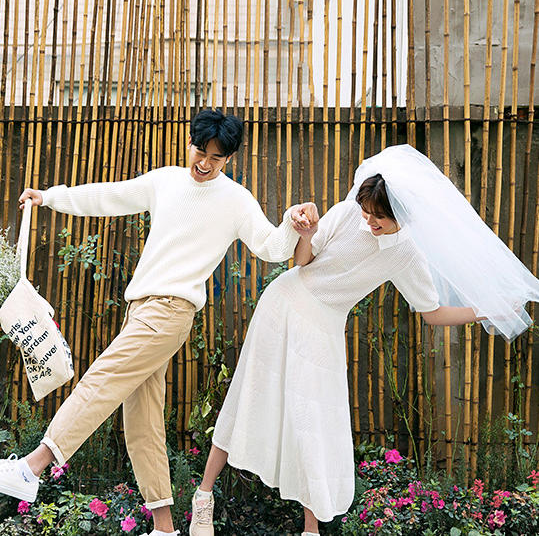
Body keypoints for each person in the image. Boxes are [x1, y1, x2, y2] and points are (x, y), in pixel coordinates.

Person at [188, 144, 539, 536]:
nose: (369, 220)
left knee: (313, 422)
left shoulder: (407, 255)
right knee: (248, 393)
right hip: (284, 305)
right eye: (367, 211)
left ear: (402, 215)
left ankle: (310, 529)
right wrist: (308, 235)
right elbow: (302, 262)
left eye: (379, 217)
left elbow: (433, 313)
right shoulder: (348, 213)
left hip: (324, 329)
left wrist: (487, 309)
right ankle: (204, 496)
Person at [0, 109, 318, 536]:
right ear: (191, 143)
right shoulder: (165, 181)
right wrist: (50, 197)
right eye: (200, 151)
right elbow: (109, 196)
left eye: (216, 158)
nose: (205, 163)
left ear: (229, 159)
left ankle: (32, 468)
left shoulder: (236, 200)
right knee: (143, 423)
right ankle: (165, 528)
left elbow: (271, 247)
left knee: (103, 377)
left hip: (169, 312)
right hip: (141, 310)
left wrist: (294, 222)